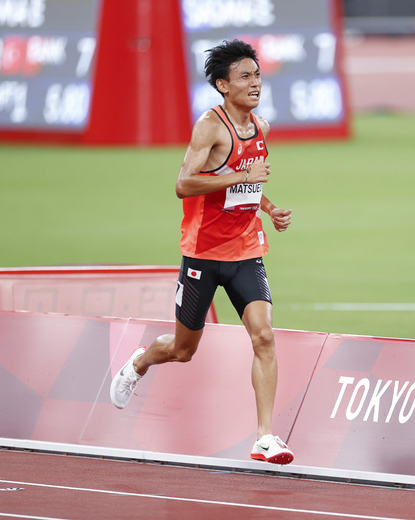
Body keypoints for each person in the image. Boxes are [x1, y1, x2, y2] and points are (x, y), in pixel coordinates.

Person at [110, 39, 294, 465]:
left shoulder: (261, 127)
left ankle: (265, 437)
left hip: (246, 250)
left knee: (264, 335)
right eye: (245, 77)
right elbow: (183, 185)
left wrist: (269, 209)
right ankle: (140, 361)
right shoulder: (209, 128)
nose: (255, 83)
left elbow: (251, 184)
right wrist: (237, 176)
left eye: (257, 75)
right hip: (203, 254)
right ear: (222, 85)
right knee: (182, 349)